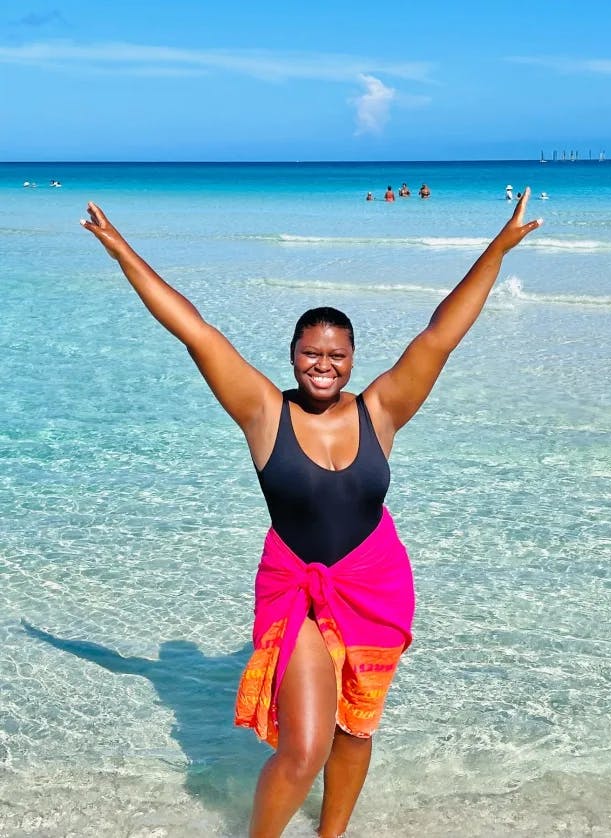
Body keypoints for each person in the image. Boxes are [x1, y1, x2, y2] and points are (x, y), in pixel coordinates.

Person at [80, 190, 541, 838]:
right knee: (302, 751)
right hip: (297, 585)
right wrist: (120, 247)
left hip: (375, 584)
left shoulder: (381, 410)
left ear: (351, 358)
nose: (323, 364)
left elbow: (441, 334)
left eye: (336, 354)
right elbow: (193, 328)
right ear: (292, 355)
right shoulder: (264, 413)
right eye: (310, 352)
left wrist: (498, 246)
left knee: (356, 727)